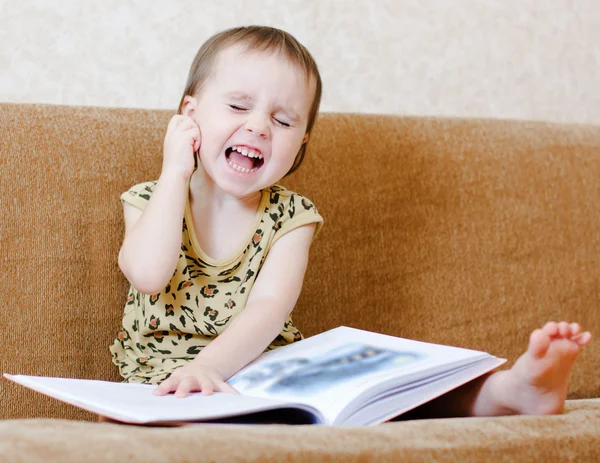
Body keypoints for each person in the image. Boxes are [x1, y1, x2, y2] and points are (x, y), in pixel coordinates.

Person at [108, 25, 591, 419]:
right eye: (237, 106)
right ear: (188, 115)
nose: (257, 125)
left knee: (373, 391)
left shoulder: (290, 217)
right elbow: (148, 273)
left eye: (283, 120)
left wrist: (217, 367)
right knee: (175, 418)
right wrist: (176, 168)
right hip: (167, 377)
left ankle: (508, 390)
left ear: (301, 144)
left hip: (267, 370)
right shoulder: (150, 199)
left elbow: (269, 310)